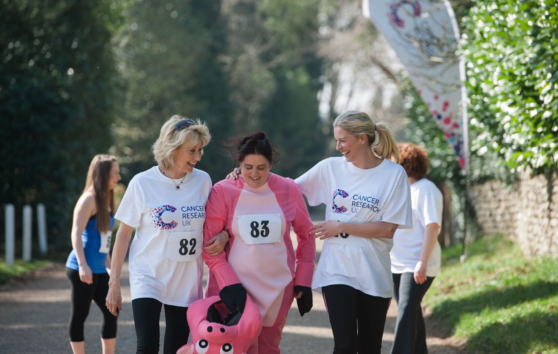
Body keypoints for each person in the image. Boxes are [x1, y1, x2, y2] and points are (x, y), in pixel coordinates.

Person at [105, 115, 227, 354]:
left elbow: (217, 222)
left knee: (178, 348)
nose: (198, 157)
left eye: (200, 150)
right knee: (147, 345)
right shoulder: (142, 183)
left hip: (186, 280)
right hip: (147, 275)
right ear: (172, 148)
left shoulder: (203, 181)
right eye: (191, 150)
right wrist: (114, 283)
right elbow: (123, 235)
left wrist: (223, 237)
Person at [295, 110, 412, 354]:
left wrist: (341, 226)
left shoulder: (393, 175)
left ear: (362, 138)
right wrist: (242, 179)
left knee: (370, 348)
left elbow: (388, 229)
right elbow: (287, 189)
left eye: (343, 140)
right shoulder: (329, 168)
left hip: (374, 272)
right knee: (345, 346)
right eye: (336, 140)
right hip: (336, 270)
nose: (338, 147)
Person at [203, 132, 316, 354]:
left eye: (261, 168)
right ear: (239, 164)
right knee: (233, 349)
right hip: (233, 290)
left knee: (268, 349)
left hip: (277, 290)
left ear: (271, 164)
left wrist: (303, 279)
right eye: (248, 167)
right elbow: (210, 249)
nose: (254, 174)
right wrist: (230, 285)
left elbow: (307, 235)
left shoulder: (288, 189)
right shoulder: (222, 191)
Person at [390, 143, 443, 354]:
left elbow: (432, 226)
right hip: (397, 262)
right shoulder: (399, 191)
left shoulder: (426, 189)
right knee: (410, 311)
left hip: (417, 262)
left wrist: (422, 261)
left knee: (405, 310)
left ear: (403, 162)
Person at [65, 154, 121, 354]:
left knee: (112, 311)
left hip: (99, 268)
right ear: (103, 174)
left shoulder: (106, 198)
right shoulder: (88, 199)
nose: (118, 177)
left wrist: (108, 267)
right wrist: (82, 265)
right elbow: (76, 233)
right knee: (80, 314)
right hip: (82, 268)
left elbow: (104, 240)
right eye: (115, 173)